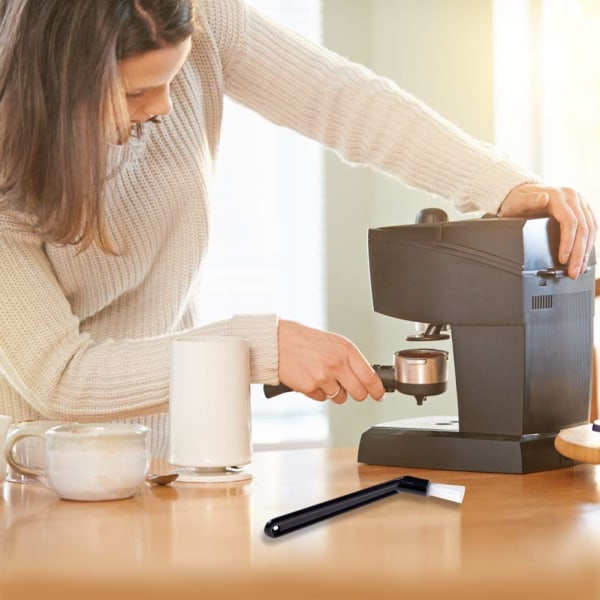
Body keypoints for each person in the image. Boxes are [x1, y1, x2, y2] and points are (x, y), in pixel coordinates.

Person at [0, 0, 595, 457]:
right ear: (64, 83)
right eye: (136, 91)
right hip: (47, 475)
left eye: (174, 80)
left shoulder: (201, 18)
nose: (165, 106)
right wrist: (261, 346)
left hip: (177, 457)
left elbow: (342, 100)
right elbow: (60, 376)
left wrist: (503, 185)